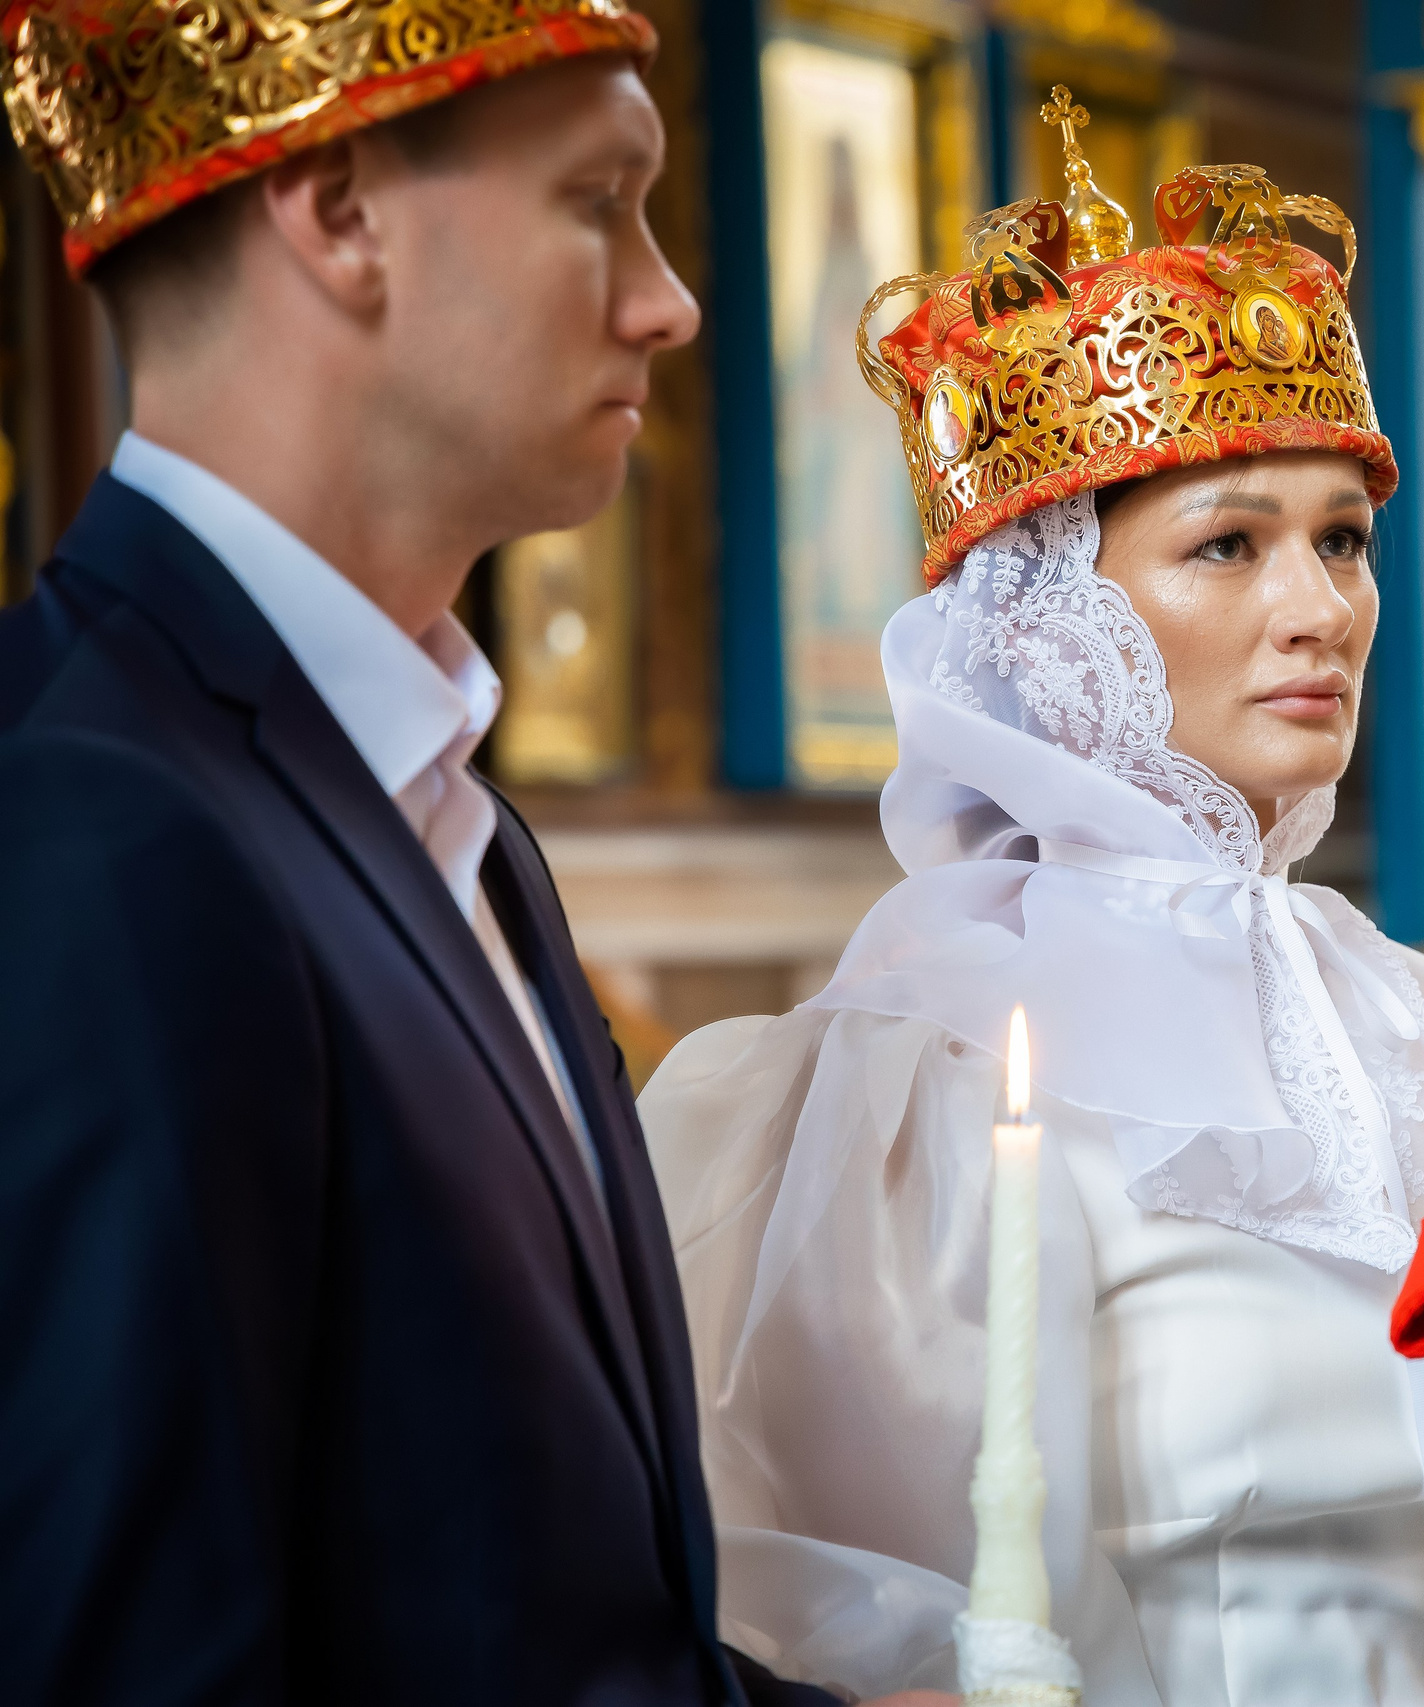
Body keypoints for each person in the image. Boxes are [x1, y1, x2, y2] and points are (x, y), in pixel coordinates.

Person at [0, 5, 932, 1702]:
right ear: (341, 212)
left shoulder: (457, 819)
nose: (670, 297)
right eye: (601, 198)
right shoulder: (95, 827)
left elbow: (539, 1630)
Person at [639, 124, 1424, 1705]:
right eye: (1230, 543)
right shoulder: (910, 1090)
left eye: (1342, 540)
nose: (1321, 610)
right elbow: (812, 1613)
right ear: (1048, 625)